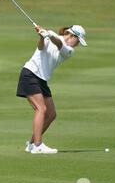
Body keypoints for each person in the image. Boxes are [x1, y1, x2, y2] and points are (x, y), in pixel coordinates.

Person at [16, 25, 87, 154]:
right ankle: (38, 145)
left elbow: (59, 44)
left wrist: (49, 34)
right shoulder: (50, 37)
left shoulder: (69, 50)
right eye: (78, 41)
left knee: (51, 114)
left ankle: (31, 144)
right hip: (30, 74)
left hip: (42, 80)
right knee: (41, 109)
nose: (77, 45)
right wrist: (42, 37)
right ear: (72, 35)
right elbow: (40, 48)